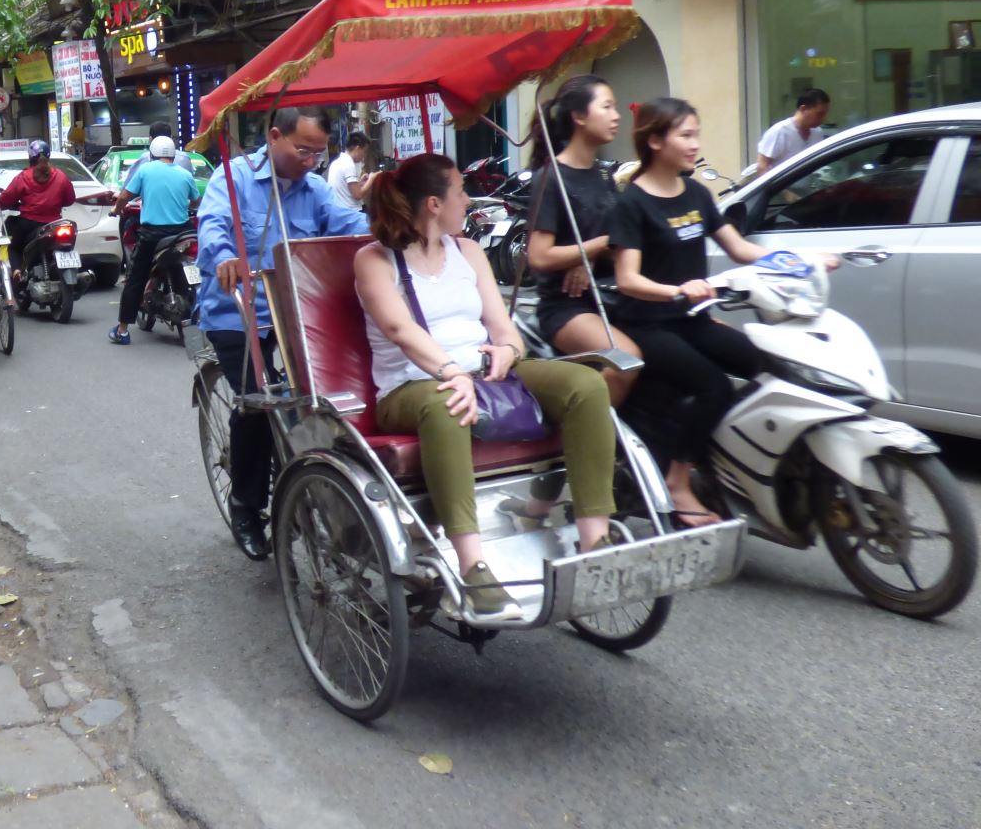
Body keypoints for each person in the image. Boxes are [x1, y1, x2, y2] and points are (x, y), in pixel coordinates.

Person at [355, 153, 619, 617]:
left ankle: (595, 538)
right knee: (449, 404)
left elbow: (503, 325)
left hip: (483, 371)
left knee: (585, 384)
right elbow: (400, 330)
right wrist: (452, 373)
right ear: (435, 204)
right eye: (461, 191)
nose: (468, 200)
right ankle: (472, 564)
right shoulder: (375, 260)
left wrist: (508, 351)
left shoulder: (469, 251)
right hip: (410, 384)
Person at [611, 97, 836, 525]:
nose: (696, 144)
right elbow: (628, 280)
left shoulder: (696, 192)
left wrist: (804, 260)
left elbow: (740, 248)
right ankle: (678, 482)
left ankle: (739, 461)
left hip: (692, 318)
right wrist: (676, 289)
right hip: (647, 325)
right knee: (713, 385)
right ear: (655, 140)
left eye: (697, 134)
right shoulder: (633, 203)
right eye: (686, 135)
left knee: (770, 365)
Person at [196, 106, 371, 559]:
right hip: (239, 311)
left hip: (297, 312)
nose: (311, 160)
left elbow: (352, 227)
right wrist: (222, 256)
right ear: (274, 136)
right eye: (303, 149)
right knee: (257, 401)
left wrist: (391, 236)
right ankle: (245, 505)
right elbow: (214, 225)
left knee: (335, 391)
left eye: (319, 152)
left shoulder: (315, 191)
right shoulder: (231, 179)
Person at [525, 75, 641, 406]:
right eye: (606, 107)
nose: (616, 115)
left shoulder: (605, 174)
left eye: (616, 107)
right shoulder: (551, 178)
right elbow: (540, 257)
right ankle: (587, 437)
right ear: (578, 116)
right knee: (626, 360)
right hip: (566, 306)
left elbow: (620, 232)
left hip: (610, 293)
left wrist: (585, 258)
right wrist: (596, 247)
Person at [109, 135, 197, 344]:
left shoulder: (145, 170)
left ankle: (122, 330)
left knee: (135, 278)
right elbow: (194, 201)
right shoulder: (185, 174)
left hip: (154, 235)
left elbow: (123, 197)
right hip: (184, 233)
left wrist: (116, 210)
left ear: (152, 154)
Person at [0, 141, 76, 281]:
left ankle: (16, 270)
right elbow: (70, 200)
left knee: (13, 245)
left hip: (29, 224)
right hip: (55, 223)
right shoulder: (61, 176)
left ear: (30, 157)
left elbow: (5, 200)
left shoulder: (23, 177)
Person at [755, 88, 830, 174]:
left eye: (825, 114)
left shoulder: (818, 133)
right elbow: (762, 166)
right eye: (819, 114)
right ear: (803, 109)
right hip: (782, 185)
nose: (824, 119)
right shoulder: (780, 131)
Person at [126, 121, 196, 184]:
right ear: (171, 138)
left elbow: (128, 188)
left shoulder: (145, 158)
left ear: (150, 139)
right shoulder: (184, 158)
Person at [325, 131, 372, 211]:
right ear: (357, 148)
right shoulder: (348, 165)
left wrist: (360, 183)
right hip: (351, 213)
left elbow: (345, 188)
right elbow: (358, 195)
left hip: (339, 211)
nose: (364, 156)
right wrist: (371, 180)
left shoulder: (338, 161)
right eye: (364, 151)